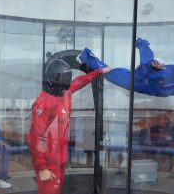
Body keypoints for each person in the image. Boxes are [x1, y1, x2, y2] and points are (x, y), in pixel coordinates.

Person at [28, 59, 112, 194]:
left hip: (60, 157)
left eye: (68, 75)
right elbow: (35, 137)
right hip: (48, 162)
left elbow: (80, 81)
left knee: (57, 191)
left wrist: (99, 71)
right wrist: (42, 167)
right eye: (64, 76)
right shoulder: (44, 103)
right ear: (55, 77)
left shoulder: (65, 93)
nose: (68, 79)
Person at [77, 37, 174, 97]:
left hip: (158, 87)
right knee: (111, 73)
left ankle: (142, 44)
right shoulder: (166, 73)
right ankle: (85, 56)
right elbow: (146, 71)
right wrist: (152, 69)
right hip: (140, 83)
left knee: (147, 65)